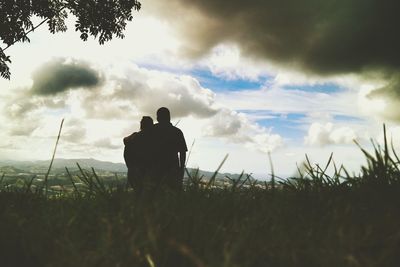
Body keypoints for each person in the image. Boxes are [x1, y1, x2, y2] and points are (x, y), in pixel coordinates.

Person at [153, 107, 187, 191]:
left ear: (158, 118)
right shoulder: (177, 132)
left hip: (155, 169)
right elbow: (182, 152)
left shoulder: (152, 130)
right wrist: (181, 168)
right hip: (173, 169)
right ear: (169, 117)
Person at [123, 116, 154, 191]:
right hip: (146, 171)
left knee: (138, 193)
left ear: (141, 125)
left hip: (134, 170)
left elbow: (125, 140)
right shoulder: (152, 138)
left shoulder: (134, 137)